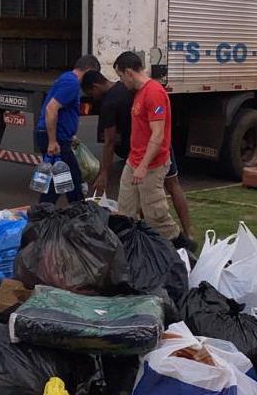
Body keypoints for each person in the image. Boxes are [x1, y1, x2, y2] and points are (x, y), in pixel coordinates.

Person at [81, 70, 194, 241]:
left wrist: (105, 173)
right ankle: (185, 234)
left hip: (151, 154)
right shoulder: (131, 89)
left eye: (120, 75)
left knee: (153, 209)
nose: (93, 97)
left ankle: (181, 241)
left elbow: (110, 141)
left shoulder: (115, 101)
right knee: (159, 192)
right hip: (145, 153)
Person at [112, 51, 194, 250]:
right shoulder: (139, 93)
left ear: (129, 72)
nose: (121, 82)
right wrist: (135, 163)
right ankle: (131, 250)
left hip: (151, 165)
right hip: (134, 161)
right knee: (125, 210)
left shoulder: (154, 93)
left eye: (121, 77)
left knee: (156, 214)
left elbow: (157, 135)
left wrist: (143, 166)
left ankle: (184, 247)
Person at [34, 55, 101, 204]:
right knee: (66, 180)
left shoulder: (66, 78)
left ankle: (77, 212)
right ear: (89, 70)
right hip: (55, 138)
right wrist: (52, 141)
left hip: (58, 137)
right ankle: (45, 213)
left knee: (70, 180)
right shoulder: (72, 83)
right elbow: (51, 109)